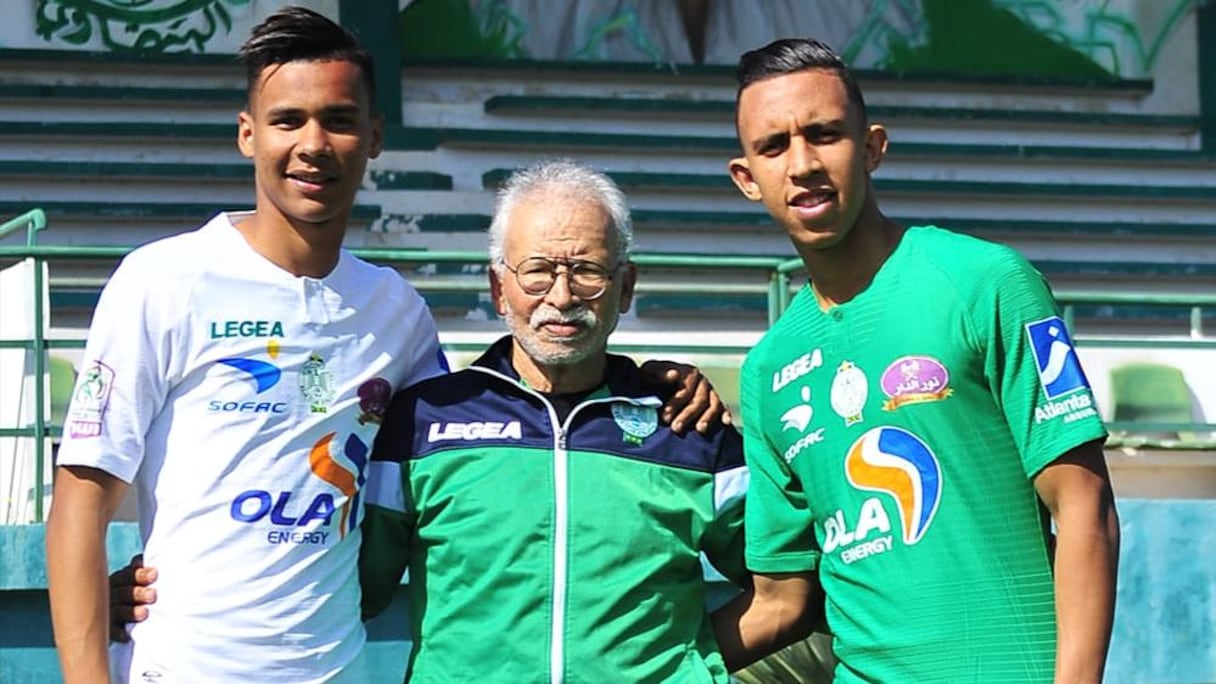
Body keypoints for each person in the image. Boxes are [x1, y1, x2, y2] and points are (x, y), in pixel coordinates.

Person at [45, 8, 719, 684]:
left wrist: (646, 382)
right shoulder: (163, 281)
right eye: (287, 120)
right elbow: (81, 501)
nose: (313, 144)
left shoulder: (397, 312)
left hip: (335, 670)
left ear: (373, 136)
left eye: (338, 120)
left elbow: (492, 422)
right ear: (248, 133)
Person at [721, 38, 1121, 682]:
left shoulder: (986, 282)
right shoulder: (769, 369)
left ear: (872, 146)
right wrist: (624, 666)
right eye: (774, 146)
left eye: (824, 134)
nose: (802, 164)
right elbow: (781, 601)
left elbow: (1084, 507)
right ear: (747, 178)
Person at [357, 158, 815, 681]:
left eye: (587, 271)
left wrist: (689, 668)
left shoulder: (688, 427)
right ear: (498, 287)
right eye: (536, 270)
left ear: (626, 287)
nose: (562, 296)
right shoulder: (423, 422)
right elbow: (355, 592)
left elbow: (787, 596)